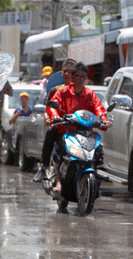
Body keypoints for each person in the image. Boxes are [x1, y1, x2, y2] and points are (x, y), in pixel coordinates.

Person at [48, 62, 112, 192]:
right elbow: (53, 106)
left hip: (86, 132)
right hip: (67, 131)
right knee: (63, 150)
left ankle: (94, 173)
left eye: (84, 76)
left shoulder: (90, 93)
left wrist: (104, 120)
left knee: (98, 150)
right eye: (78, 75)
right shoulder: (63, 91)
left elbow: (98, 108)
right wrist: (55, 115)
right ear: (72, 77)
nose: (81, 78)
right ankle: (59, 180)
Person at [33, 58, 77, 182]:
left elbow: (93, 107)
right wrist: (49, 118)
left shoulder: (83, 91)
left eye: (71, 71)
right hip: (61, 126)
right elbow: (48, 110)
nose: (68, 74)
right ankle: (44, 167)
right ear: (61, 74)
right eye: (65, 71)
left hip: (78, 127)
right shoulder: (55, 91)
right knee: (51, 133)